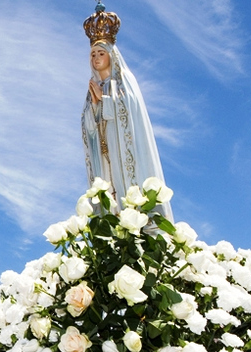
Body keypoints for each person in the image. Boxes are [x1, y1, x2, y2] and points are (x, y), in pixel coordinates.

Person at [81, 3, 173, 222]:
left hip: (125, 155)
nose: (96, 58)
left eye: (101, 53)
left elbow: (129, 110)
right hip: (105, 159)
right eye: (93, 54)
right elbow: (89, 128)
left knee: (129, 199)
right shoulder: (93, 87)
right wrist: (94, 107)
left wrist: (103, 102)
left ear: (111, 55)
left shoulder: (124, 81)